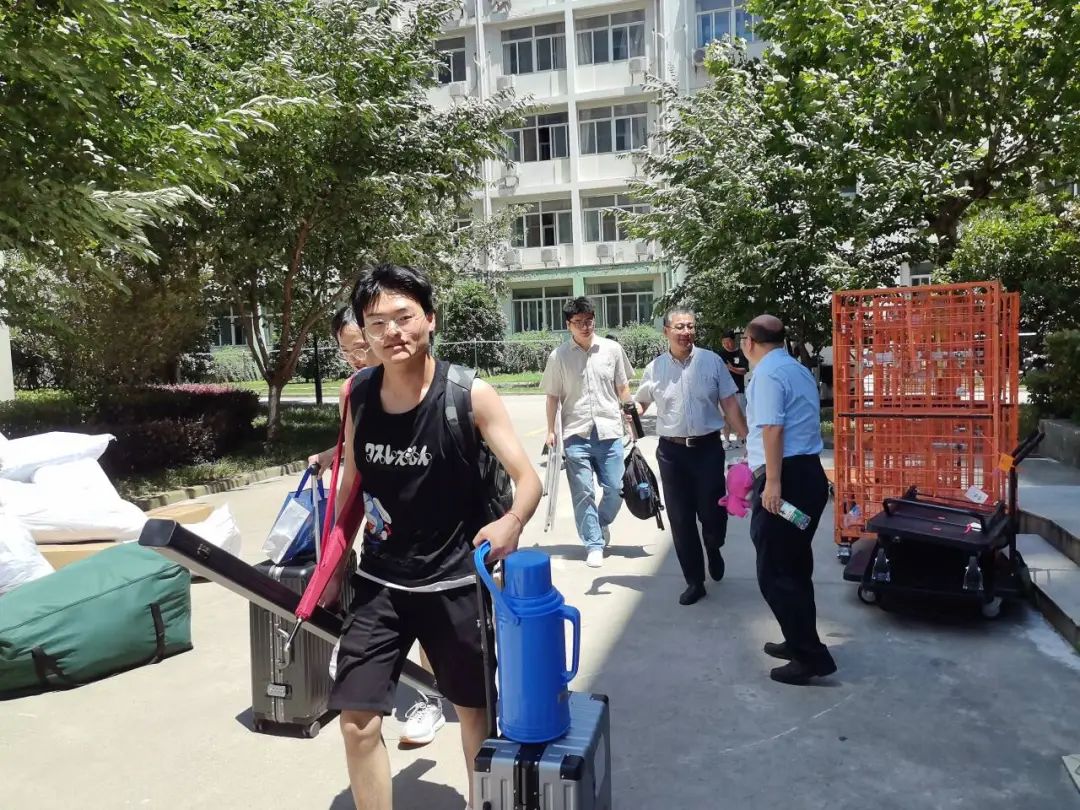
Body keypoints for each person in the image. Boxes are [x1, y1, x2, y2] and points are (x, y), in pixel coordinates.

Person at [328, 264, 542, 810]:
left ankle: (481, 802)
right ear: (364, 332)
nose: (392, 332)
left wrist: (512, 522)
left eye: (403, 317)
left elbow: (528, 479)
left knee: (474, 712)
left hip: (455, 582)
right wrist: (330, 557)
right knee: (356, 720)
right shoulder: (358, 394)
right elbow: (350, 483)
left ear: (430, 318)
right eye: (377, 323)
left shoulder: (469, 394)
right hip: (380, 582)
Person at [307, 307, 446, 746]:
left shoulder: (432, 385)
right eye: (348, 351)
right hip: (382, 534)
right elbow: (357, 456)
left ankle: (432, 697)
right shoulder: (356, 391)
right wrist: (332, 457)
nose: (357, 358)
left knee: (431, 614)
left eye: (360, 348)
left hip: (436, 537)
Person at [742, 315, 836, 686]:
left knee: (776, 573)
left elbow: (773, 428)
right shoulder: (796, 369)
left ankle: (809, 657)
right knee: (794, 568)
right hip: (807, 476)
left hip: (786, 481)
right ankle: (797, 640)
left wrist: (773, 483)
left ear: (749, 342)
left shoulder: (766, 374)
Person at [633, 308, 748, 605]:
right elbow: (642, 402)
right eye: (680, 327)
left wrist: (747, 437)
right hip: (671, 453)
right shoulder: (655, 368)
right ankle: (694, 581)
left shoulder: (711, 362)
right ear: (666, 332)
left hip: (707, 449)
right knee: (681, 519)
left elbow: (729, 403)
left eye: (690, 326)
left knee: (712, 512)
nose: (686, 332)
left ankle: (714, 547)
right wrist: (632, 411)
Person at [542, 298, 634, 568]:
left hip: (609, 431)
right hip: (576, 433)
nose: (585, 326)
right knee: (583, 492)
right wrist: (550, 430)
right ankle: (593, 544)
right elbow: (552, 396)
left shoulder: (612, 349)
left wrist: (631, 418)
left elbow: (623, 387)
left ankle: (599, 523)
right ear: (568, 325)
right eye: (579, 322)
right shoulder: (558, 356)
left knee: (616, 488)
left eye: (589, 320)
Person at [717, 329, 749, 449]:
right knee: (724, 416)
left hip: (738, 389)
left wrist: (731, 368)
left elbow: (744, 370)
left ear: (733, 341)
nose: (726, 344)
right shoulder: (719, 355)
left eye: (728, 342)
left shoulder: (741, 353)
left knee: (741, 415)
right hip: (723, 391)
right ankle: (726, 440)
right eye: (724, 342)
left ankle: (742, 439)